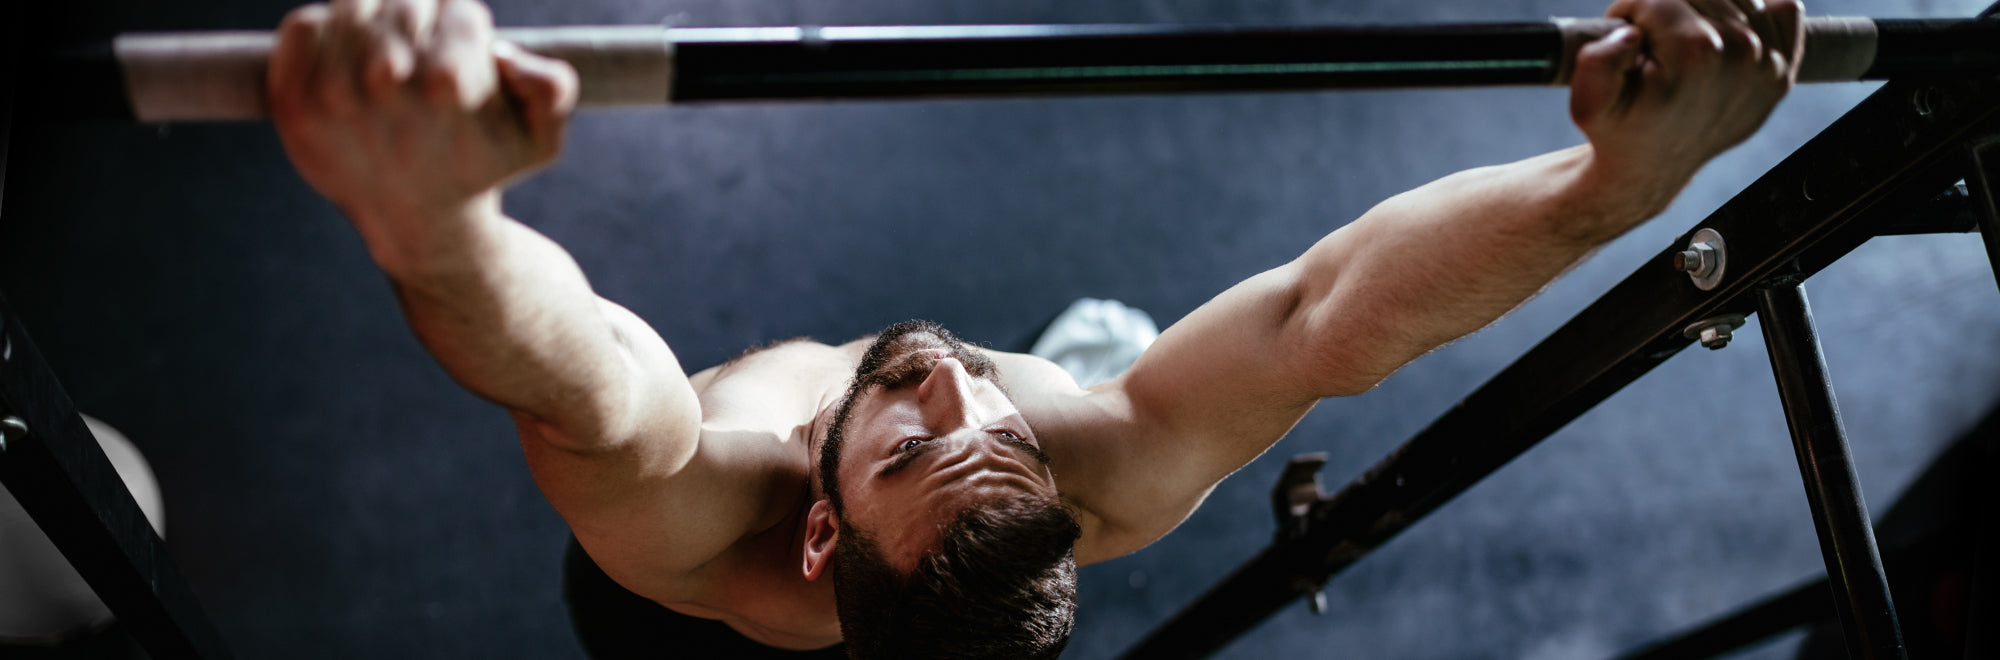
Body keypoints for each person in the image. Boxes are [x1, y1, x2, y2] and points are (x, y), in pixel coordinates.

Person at [264, 0, 1803, 655]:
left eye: (912, 442)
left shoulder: (705, 526)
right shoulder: (1092, 473)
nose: (947, 382)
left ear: (817, 533)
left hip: (668, 634)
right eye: (987, 435)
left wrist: (436, 226)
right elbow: (1329, 317)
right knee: (1102, 372)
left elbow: (590, 392)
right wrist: (1617, 185)